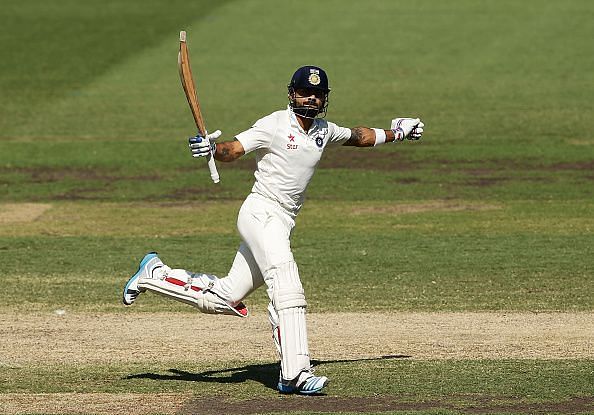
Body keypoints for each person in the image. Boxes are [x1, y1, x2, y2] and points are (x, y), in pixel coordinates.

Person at [122, 65, 424, 394]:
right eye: (304, 92)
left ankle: (155, 274)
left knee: (225, 297)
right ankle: (294, 372)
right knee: (286, 284)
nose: (310, 98)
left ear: (324, 98)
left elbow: (360, 136)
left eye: (317, 93)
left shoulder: (323, 130)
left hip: (281, 221)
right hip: (261, 213)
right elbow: (233, 149)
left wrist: (399, 132)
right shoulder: (275, 124)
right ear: (291, 93)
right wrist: (212, 148)